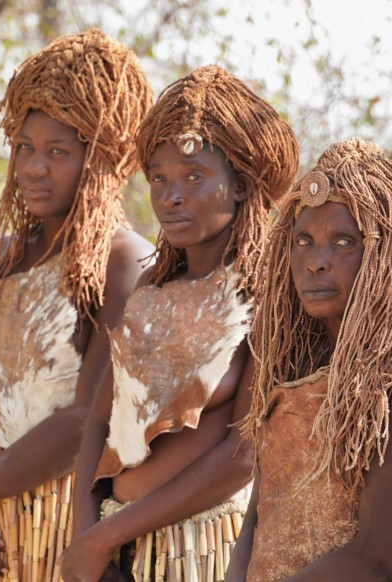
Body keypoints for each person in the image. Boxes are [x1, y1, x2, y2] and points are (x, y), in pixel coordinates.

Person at [0, 29, 154, 580]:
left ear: (102, 158)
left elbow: (82, 420)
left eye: (57, 151)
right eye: (23, 146)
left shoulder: (124, 263)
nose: (31, 167)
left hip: (58, 533)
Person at [62, 64, 300, 582]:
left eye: (195, 177)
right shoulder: (151, 290)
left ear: (239, 186)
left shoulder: (267, 298)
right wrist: (87, 542)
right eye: (160, 179)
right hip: (112, 547)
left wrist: (106, 537)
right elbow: (97, 423)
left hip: (198, 548)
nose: (171, 196)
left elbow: (243, 454)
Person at [227, 139, 392, 582]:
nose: (316, 262)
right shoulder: (294, 363)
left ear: (384, 255)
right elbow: (257, 517)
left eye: (343, 242)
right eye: (303, 242)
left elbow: (380, 558)